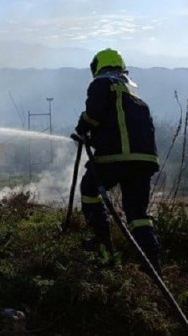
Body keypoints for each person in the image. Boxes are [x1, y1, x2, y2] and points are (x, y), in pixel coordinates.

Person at [74, 48, 162, 273]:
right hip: (143, 161)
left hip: (116, 157)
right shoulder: (132, 93)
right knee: (137, 214)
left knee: (89, 190)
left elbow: (94, 114)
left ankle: (102, 246)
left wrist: (83, 126)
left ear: (98, 66)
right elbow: (118, 123)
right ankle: (152, 265)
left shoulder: (102, 83)